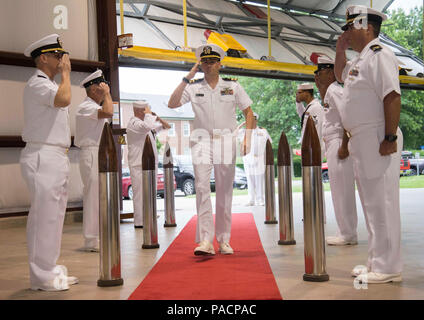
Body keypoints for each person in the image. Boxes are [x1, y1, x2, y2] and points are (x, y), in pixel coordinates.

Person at [335, 5, 403, 284]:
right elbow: (339, 76)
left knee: (382, 203)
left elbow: (392, 96)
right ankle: (377, 261)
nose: (348, 32)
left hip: (377, 136)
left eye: (351, 27)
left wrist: (389, 137)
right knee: (371, 204)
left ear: (367, 27)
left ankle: (389, 267)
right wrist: (340, 50)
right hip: (362, 139)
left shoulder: (380, 54)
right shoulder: (359, 61)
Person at [168, 43, 255, 256]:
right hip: (202, 141)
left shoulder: (233, 87)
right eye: (205, 61)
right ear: (201, 64)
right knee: (201, 187)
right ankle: (205, 240)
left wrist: (247, 138)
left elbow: (249, 113)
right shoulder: (193, 87)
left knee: (224, 190)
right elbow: (172, 104)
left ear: (219, 63)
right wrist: (187, 77)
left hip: (226, 140)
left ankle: (224, 240)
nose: (209, 65)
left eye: (212, 61)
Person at [20, 34, 78, 291]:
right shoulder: (38, 84)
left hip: (56, 155)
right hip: (42, 155)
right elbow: (64, 100)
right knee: (43, 218)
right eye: (57, 55)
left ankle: (51, 269)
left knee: (54, 218)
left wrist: (63, 78)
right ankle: (41, 276)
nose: (62, 60)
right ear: (43, 58)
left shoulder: (51, 85)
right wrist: (66, 75)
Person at [314, 57, 358, 246]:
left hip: (339, 141)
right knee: (337, 189)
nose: (316, 75)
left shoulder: (335, 91)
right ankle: (345, 231)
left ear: (331, 72)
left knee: (343, 189)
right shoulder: (327, 93)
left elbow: (348, 116)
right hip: (332, 142)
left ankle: (348, 233)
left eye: (320, 71)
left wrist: (345, 145)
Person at [74, 70, 113, 252]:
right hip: (90, 153)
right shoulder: (87, 107)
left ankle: (98, 236)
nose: (105, 87)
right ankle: (91, 240)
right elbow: (108, 112)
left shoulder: (93, 107)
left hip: (98, 153)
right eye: (102, 85)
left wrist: (106, 95)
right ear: (93, 88)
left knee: (100, 196)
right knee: (93, 197)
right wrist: (108, 95)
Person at [126, 101, 170, 228]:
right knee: (139, 193)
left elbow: (167, 127)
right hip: (138, 164)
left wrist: (158, 117)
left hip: (150, 165)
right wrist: (150, 116)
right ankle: (139, 221)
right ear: (141, 111)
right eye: (147, 110)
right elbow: (146, 126)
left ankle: (149, 216)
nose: (149, 113)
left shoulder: (146, 124)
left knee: (150, 192)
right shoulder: (134, 123)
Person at [238, 113, 271, 206]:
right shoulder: (243, 132)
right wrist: (241, 125)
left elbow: (269, 144)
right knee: (250, 179)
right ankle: (251, 199)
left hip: (259, 159)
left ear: (256, 120)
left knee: (259, 179)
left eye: (252, 119)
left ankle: (260, 200)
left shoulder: (263, 131)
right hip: (247, 159)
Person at [295, 83, 324, 153]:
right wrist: (298, 102)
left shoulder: (316, 107)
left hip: (313, 149)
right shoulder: (310, 107)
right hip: (308, 147)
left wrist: (313, 149)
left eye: (299, 92)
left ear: (307, 93)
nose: (297, 95)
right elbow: (302, 115)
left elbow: (317, 129)